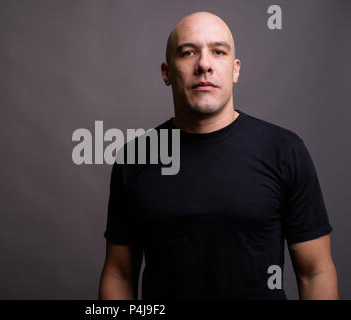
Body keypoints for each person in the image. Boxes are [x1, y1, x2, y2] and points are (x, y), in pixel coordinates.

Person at [98, 11, 339, 300]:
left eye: (218, 52)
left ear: (235, 69)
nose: (204, 64)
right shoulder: (136, 159)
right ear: (166, 72)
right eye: (188, 52)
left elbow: (315, 273)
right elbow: (119, 274)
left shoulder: (284, 150)